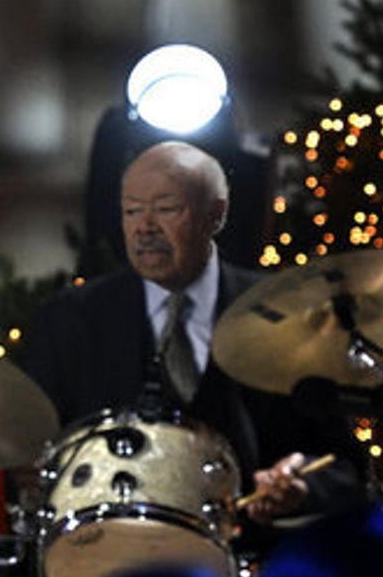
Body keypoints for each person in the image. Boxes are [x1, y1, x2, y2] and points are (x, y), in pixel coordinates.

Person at [20, 141, 361, 535]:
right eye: (132, 211)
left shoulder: (284, 313)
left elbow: (343, 468)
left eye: (166, 209)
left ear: (214, 214)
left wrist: (301, 486)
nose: (144, 227)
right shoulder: (68, 319)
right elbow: (30, 458)